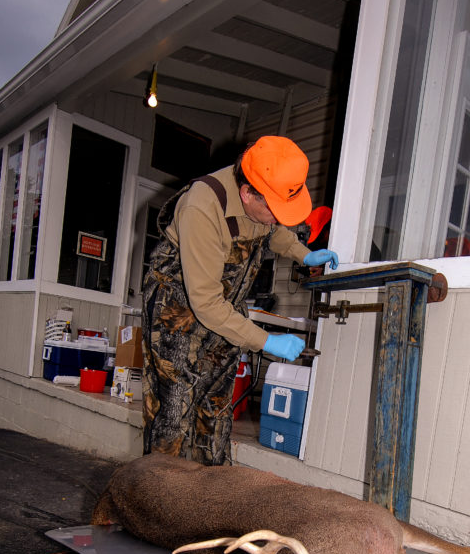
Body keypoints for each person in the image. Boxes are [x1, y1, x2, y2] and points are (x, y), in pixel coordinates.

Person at [141, 135, 338, 464]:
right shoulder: (202, 207)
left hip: (224, 306)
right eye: (274, 210)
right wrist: (266, 341)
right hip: (176, 308)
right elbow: (205, 302)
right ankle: (157, 492)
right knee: (174, 414)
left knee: (216, 410)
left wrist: (304, 254)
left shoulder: (262, 203)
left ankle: (213, 490)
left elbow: (274, 231)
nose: (277, 218)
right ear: (247, 193)